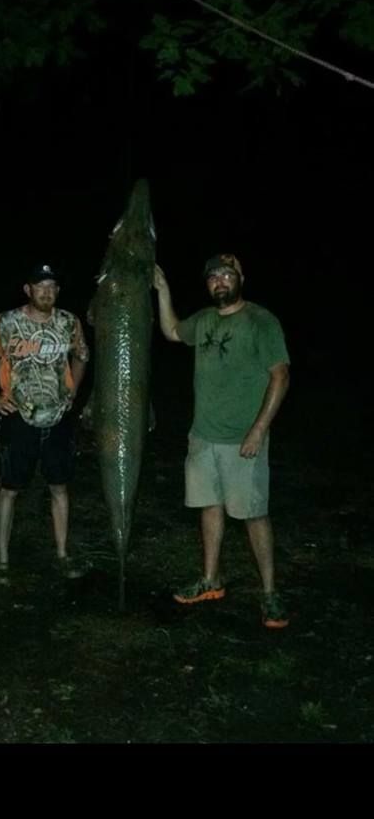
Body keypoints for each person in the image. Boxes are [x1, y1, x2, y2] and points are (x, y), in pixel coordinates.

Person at [153, 253, 290, 628]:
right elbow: (171, 331)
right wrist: (163, 290)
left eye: (226, 275)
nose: (219, 282)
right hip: (203, 436)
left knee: (253, 514)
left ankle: (269, 593)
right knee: (209, 506)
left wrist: (258, 429)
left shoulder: (261, 321)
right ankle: (210, 580)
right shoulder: (205, 319)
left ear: (240, 277)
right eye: (213, 277)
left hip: (242, 439)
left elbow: (280, 376)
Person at [0, 262, 90, 581]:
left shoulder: (69, 322)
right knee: (9, 489)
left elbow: (82, 355)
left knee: (60, 487)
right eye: (41, 286)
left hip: (58, 419)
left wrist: (73, 391)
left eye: (52, 286)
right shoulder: (6, 322)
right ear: (28, 290)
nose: (47, 292)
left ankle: (63, 554)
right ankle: (1, 558)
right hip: (18, 419)